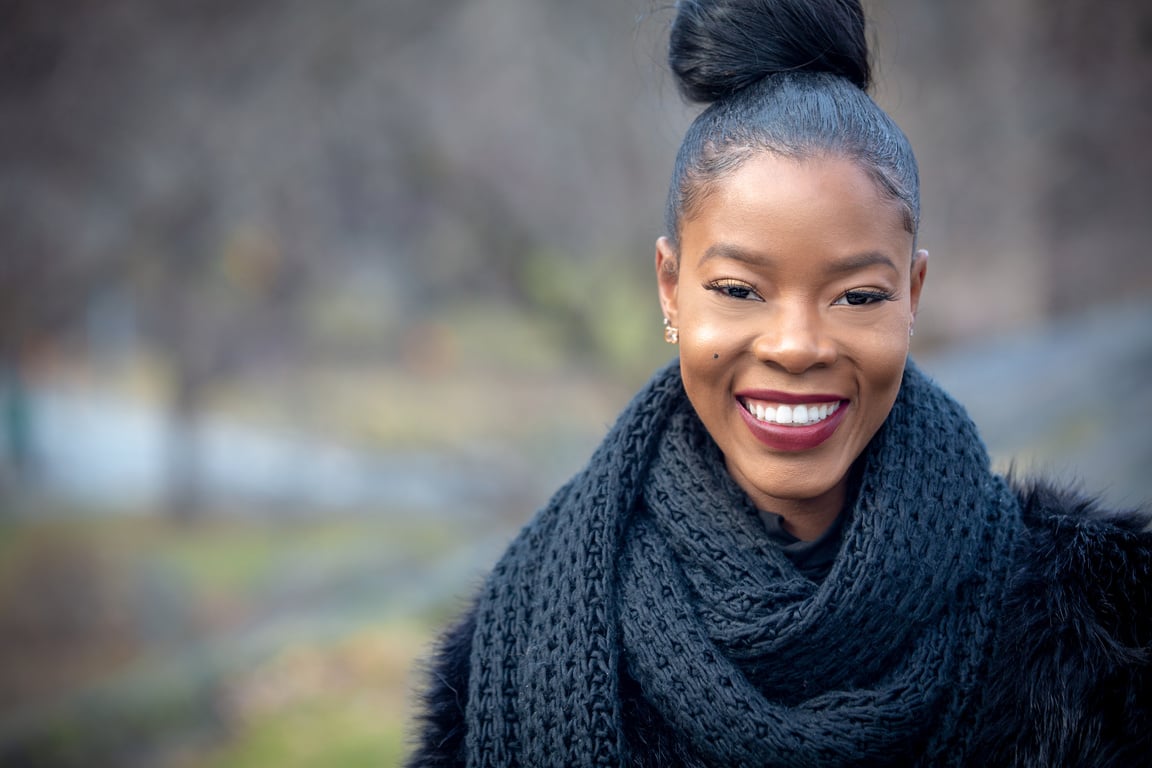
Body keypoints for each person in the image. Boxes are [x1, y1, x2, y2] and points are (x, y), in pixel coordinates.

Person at [407, 0, 1152, 765]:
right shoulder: (524, 633)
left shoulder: (1101, 627)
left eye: (857, 296)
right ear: (670, 288)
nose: (797, 346)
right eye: (738, 289)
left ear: (912, 297)